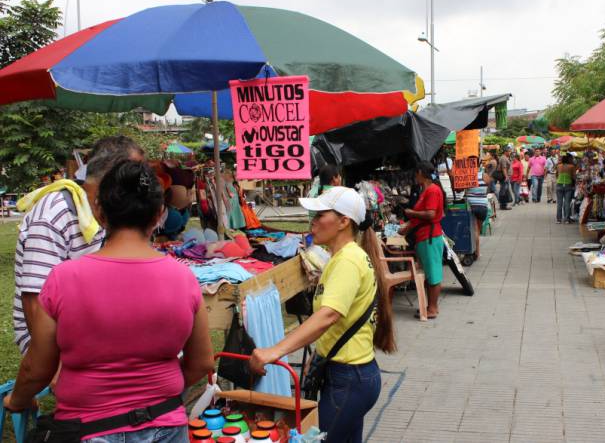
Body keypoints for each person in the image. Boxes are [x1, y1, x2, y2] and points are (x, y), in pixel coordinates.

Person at [4, 160, 215, 442]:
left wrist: (16, 400)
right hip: (166, 424)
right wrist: (156, 392)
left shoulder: (64, 278)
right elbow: (201, 363)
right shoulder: (183, 278)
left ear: (100, 213)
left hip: (89, 429)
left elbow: (37, 368)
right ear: (158, 215)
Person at [249, 187, 395, 443]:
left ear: (343, 222)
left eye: (319, 215)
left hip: (349, 379)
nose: (312, 222)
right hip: (351, 375)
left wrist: (275, 351)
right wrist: (319, 356)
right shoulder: (344, 257)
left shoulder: (348, 261)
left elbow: (328, 316)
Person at [12, 136, 143, 355]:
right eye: (137, 174)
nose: (143, 181)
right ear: (114, 174)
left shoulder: (105, 208)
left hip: (90, 318)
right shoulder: (55, 213)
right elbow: (35, 302)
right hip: (48, 333)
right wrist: (52, 367)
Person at [400, 162, 445, 318]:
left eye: (416, 173)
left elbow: (431, 214)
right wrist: (408, 226)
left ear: (420, 172)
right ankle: (430, 306)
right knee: (429, 273)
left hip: (430, 237)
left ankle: (432, 308)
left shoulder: (432, 190)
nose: (415, 176)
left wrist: (411, 213)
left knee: (433, 274)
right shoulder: (426, 191)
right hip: (424, 236)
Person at [465, 173, 488, 260]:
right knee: (478, 230)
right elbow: (488, 187)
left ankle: (476, 252)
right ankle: (477, 252)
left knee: (475, 230)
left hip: (472, 205)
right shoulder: (484, 175)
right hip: (483, 205)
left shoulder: (467, 176)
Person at [555, 154, 577, 224]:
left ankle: (558, 219)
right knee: (567, 202)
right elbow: (574, 177)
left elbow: (557, 175)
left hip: (559, 184)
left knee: (559, 203)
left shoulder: (558, 166)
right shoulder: (571, 166)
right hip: (568, 185)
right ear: (569, 159)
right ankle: (567, 219)